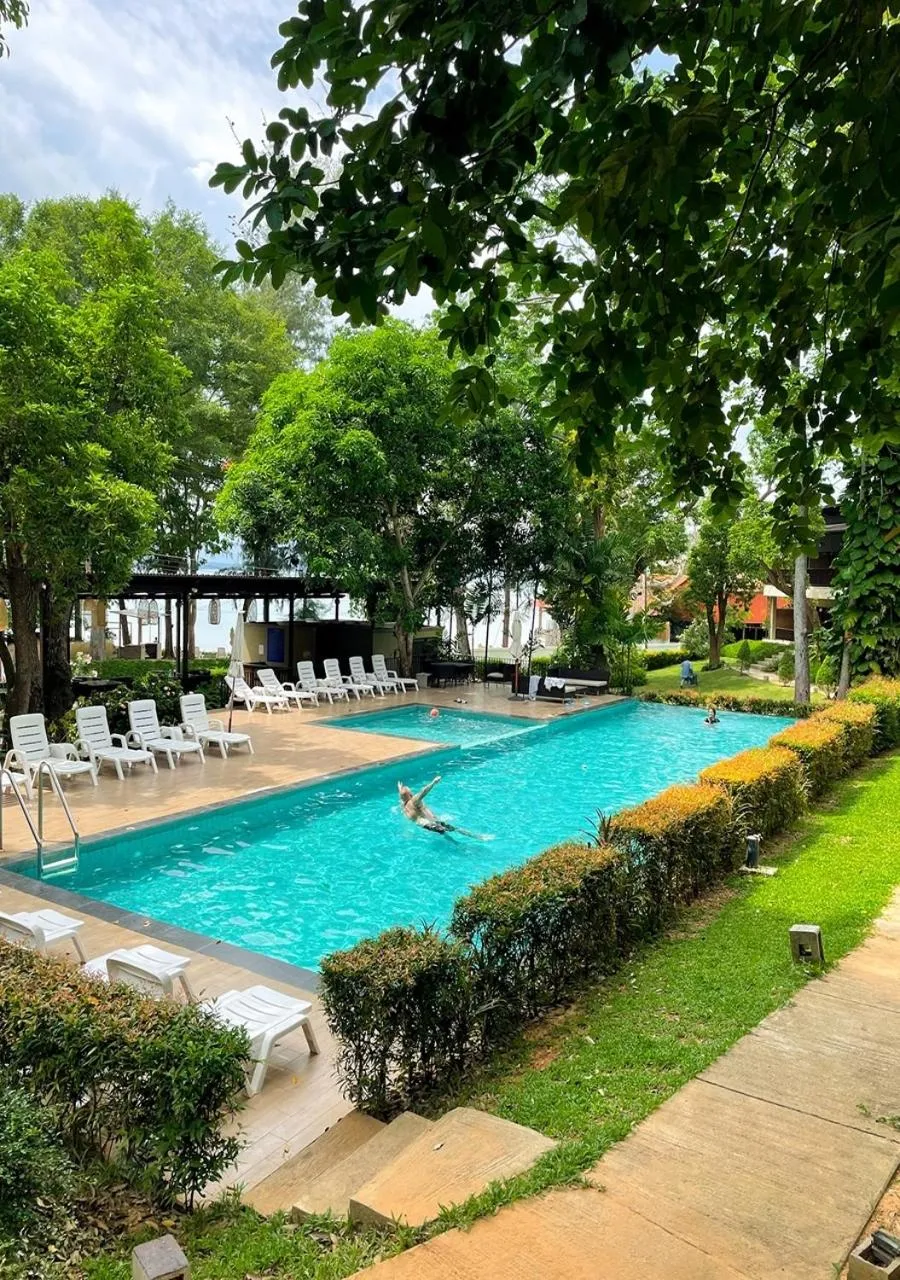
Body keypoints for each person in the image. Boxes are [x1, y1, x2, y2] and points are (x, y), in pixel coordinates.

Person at [397, 776, 488, 839]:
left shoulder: (404, 805)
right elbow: (423, 792)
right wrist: (434, 782)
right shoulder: (414, 800)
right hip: (430, 823)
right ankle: (479, 837)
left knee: (444, 833)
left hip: (423, 825)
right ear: (410, 794)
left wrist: (400, 789)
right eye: (410, 791)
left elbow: (402, 797)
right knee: (453, 829)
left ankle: (467, 841)